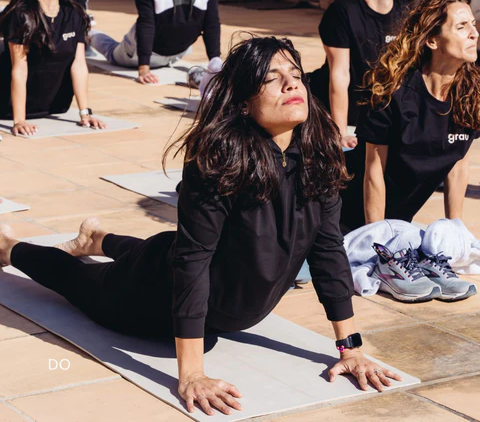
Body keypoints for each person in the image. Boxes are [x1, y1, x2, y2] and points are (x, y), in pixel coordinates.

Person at [0, 36, 400, 416]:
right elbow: (192, 263)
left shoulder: (318, 156)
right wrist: (191, 372)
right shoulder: (220, 163)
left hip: (184, 263)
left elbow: (328, 251)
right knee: (77, 280)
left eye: (295, 75)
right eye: (271, 79)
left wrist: (350, 349)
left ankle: (98, 238)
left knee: (171, 246)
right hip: (150, 293)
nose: (291, 84)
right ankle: (9, 247)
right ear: (244, 103)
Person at [344, 0, 480, 231]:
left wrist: (455, 230)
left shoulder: (471, 92)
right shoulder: (393, 92)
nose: (474, 33)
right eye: (462, 27)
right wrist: (376, 237)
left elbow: (458, 162)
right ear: (432, 40)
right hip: (344, 212)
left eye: (473, 24)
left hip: (399, 221)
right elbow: (373, 171)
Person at [309, 0, 406, 149]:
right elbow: (340, 74)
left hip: (382, 109)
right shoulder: (343, 11)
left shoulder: (406, 12)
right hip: (342, 107)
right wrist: (340, 132)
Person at [89, 0, 222, 88]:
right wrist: (143, 68)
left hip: (178, 53)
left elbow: (211, 22)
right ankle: (88, 33)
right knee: (111, 50)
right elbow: (146, 22)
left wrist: (215, 63)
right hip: (138, 53)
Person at [0, 0, 105, 136]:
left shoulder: (74, 14)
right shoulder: (21, 17)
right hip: (7, 106)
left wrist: (85, 113)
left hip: (53, 105)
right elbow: (19, 69)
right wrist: (19, 120)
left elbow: (79, 65)